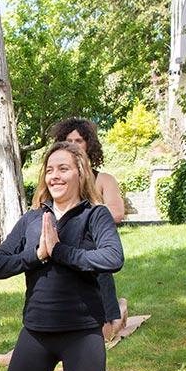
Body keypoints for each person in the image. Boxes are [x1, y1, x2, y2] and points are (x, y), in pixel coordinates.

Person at [0, 142, 124, 371]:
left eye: (63, 168)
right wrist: (35, 255)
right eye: (50, 170)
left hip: (81, 332)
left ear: (80, 173)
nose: (55, 176)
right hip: (37, 331)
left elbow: (113, 258)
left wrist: (61, 252)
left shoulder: (94, 215)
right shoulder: (32, 219)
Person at [52, 117, 129, 341]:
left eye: (79, 140)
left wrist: (83, 214)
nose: (74, 145)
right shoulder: (56, 181)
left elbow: (116, 212)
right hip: (65, 253)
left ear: (89, 145)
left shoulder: (103, 179)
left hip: (95, 254)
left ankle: (119, 309)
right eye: (69, 140)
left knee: (105, 336)